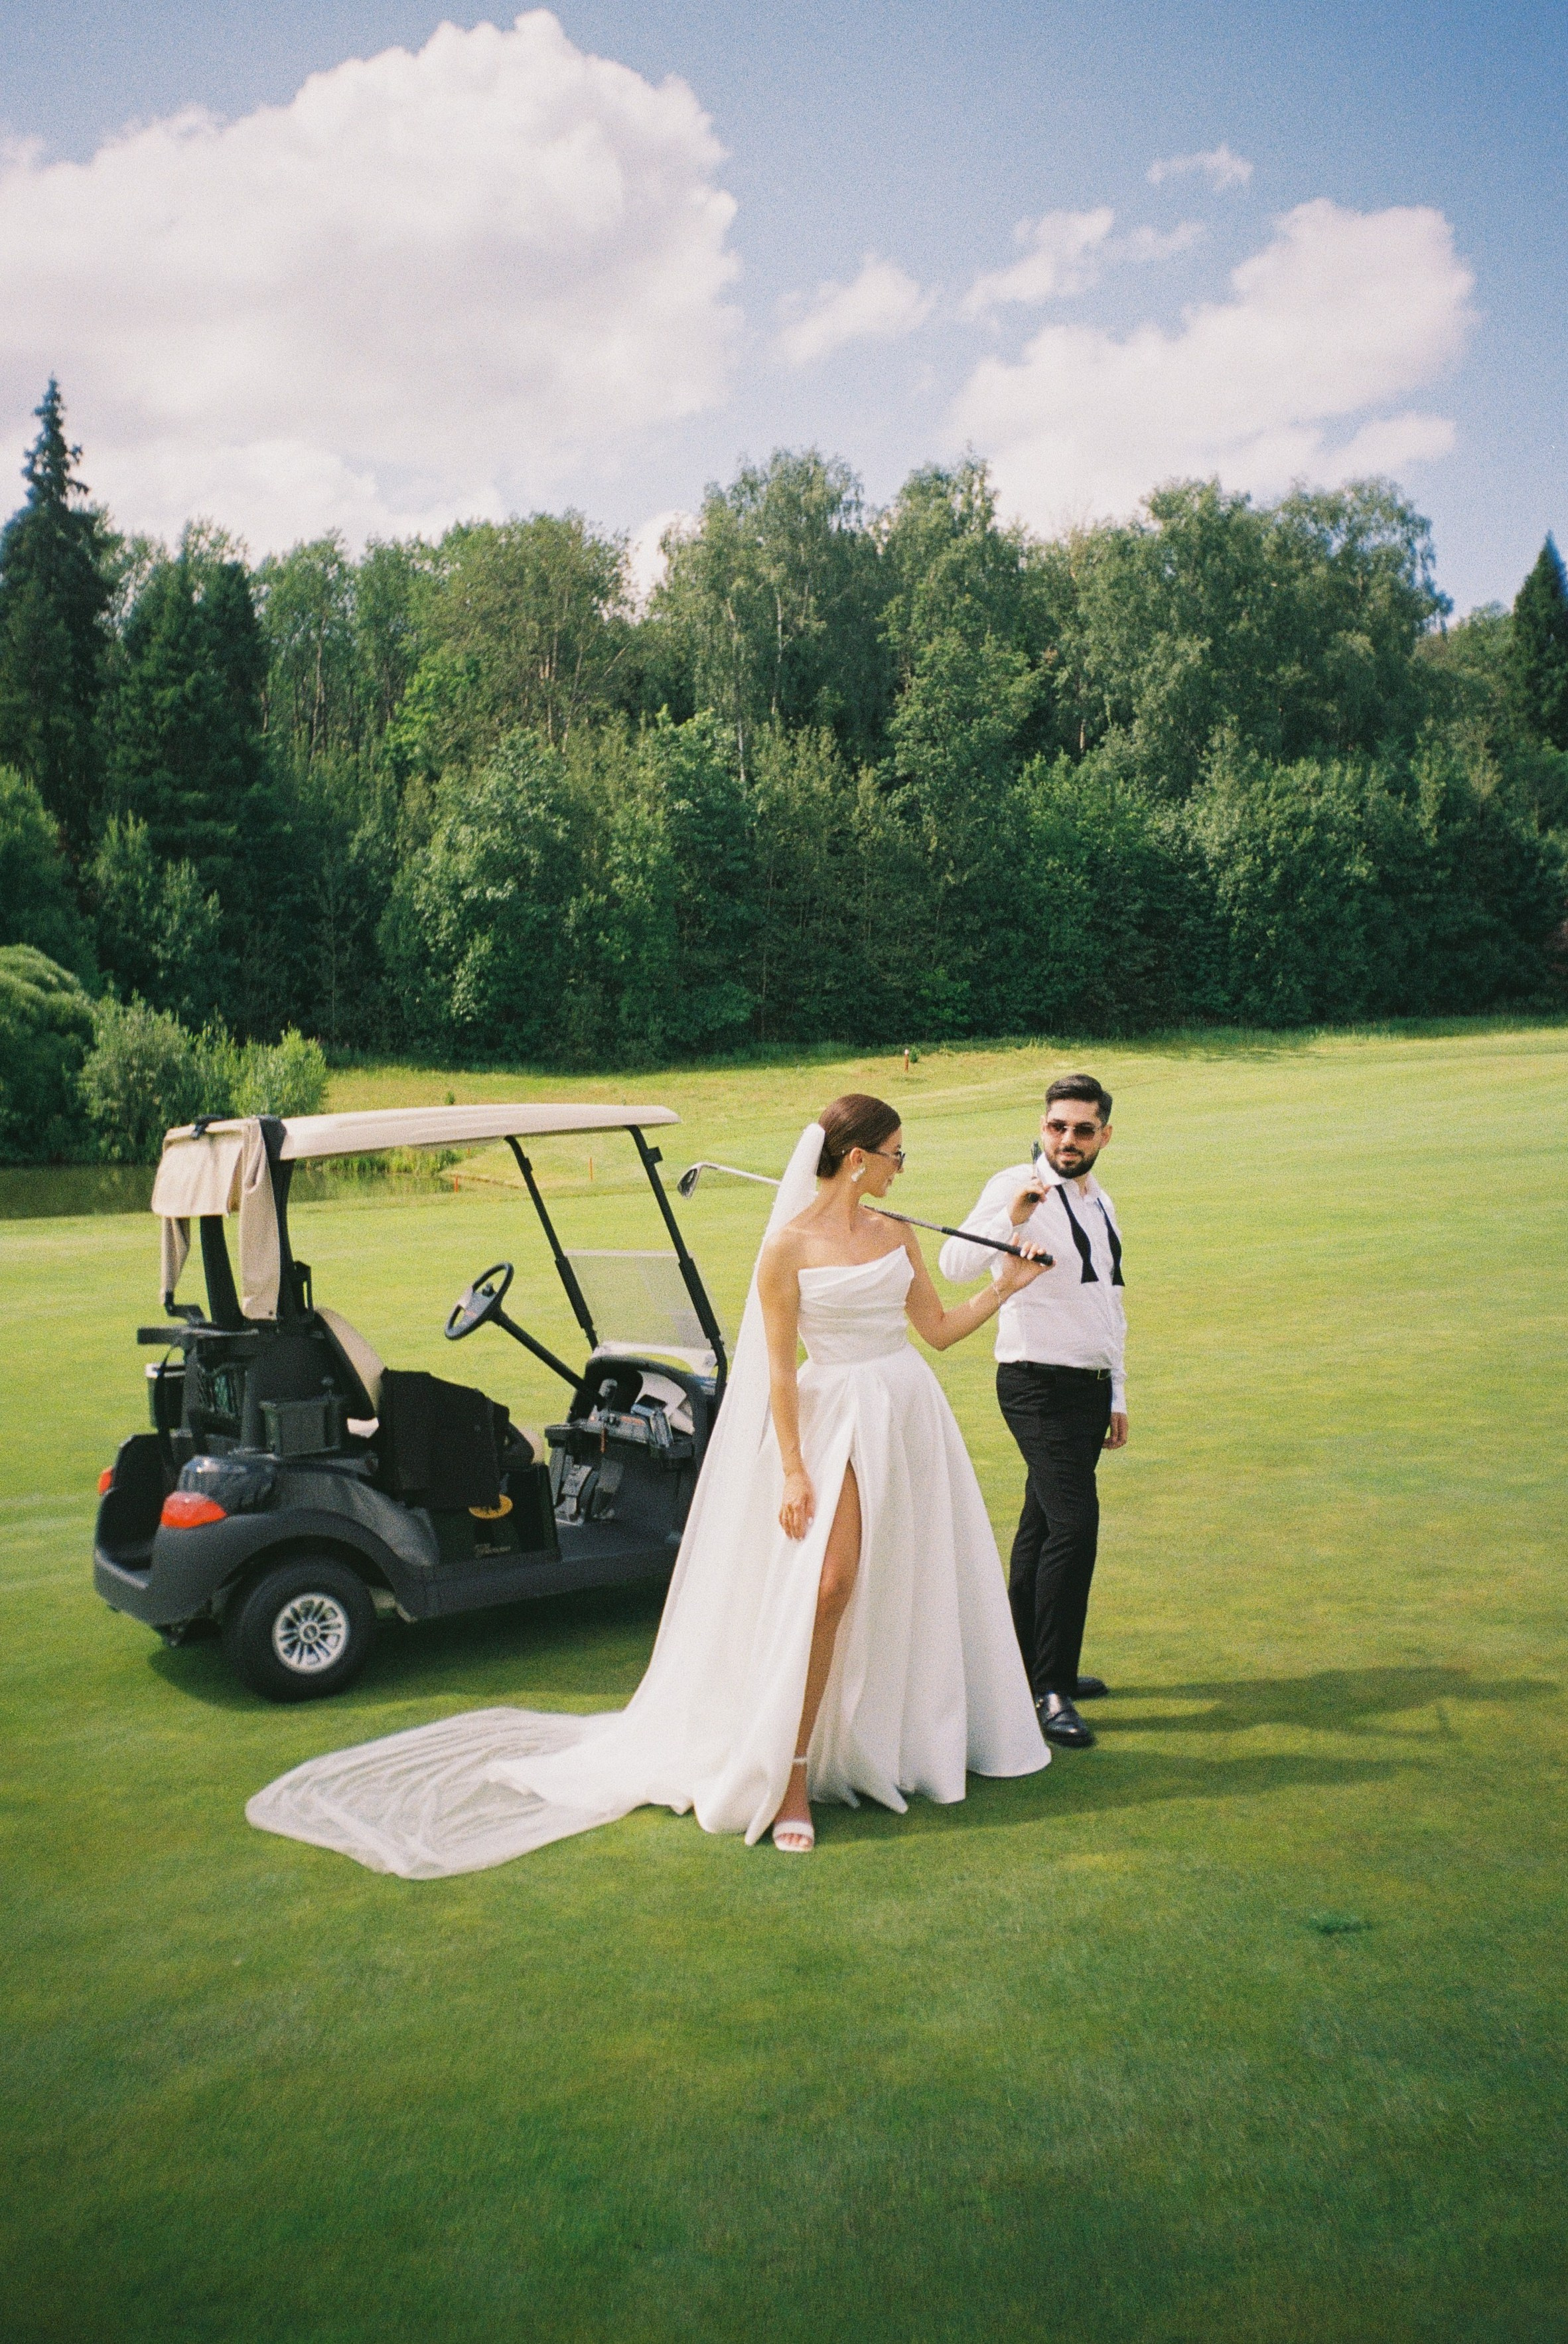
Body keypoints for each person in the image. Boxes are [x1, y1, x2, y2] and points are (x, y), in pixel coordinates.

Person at [248, 1096, 1050, 1876]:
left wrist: (1004, 1286)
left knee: (900, 1577)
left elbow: (937, 1331)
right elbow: (775, 1371)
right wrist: (795, 1467)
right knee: (829, 1585)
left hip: (904, 1411)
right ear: (858, 1155)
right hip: (832, 1416)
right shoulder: (786, 1250)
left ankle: (894, 1736)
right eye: (896, 1154)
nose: (901, 1168)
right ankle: (792, 1771)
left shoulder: (896, 1230)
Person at [938, 1074, 1127, 1752]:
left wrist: (1117, 1392)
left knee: (1043, 1524)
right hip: (1033, 1384)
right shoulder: (1014, 1184)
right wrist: (1011, 1217)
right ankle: (1047, 1688)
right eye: (1056, 1127)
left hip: (1085, 1386)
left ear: (1103, 1133)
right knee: (1074, 1526)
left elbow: (1107, 1303)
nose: (1066, 1140)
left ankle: (1028, 1666)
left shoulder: (1100, 1201)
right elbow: (955, 1262)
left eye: (1081, 1129)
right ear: (1041, 1126)